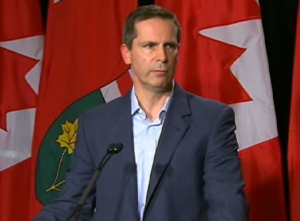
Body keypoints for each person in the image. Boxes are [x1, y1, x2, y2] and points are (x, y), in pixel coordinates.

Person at [34, 5, 248, 221]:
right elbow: (73, 204)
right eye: (149, 46)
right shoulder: (95, 124)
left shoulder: (210, 120)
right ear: (127, 54)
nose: (162, 56)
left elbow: (227, 207)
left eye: (170, 46)